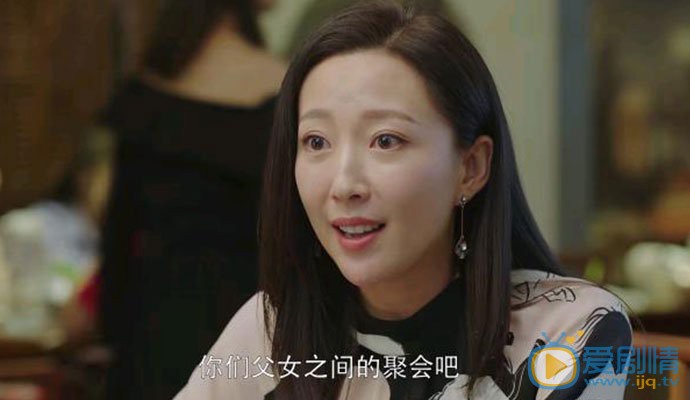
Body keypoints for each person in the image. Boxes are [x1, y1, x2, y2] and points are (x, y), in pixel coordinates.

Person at [174, 2, 632, 399]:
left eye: (386, 140)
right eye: (316, 142)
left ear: (471, 167)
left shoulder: (569, 330)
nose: (344, 184)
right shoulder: (270, 329)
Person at [99, 0, 285, 398]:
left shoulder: (147, 95)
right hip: (255, 333)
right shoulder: (290, 95)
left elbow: (117, 245)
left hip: (153, 337)